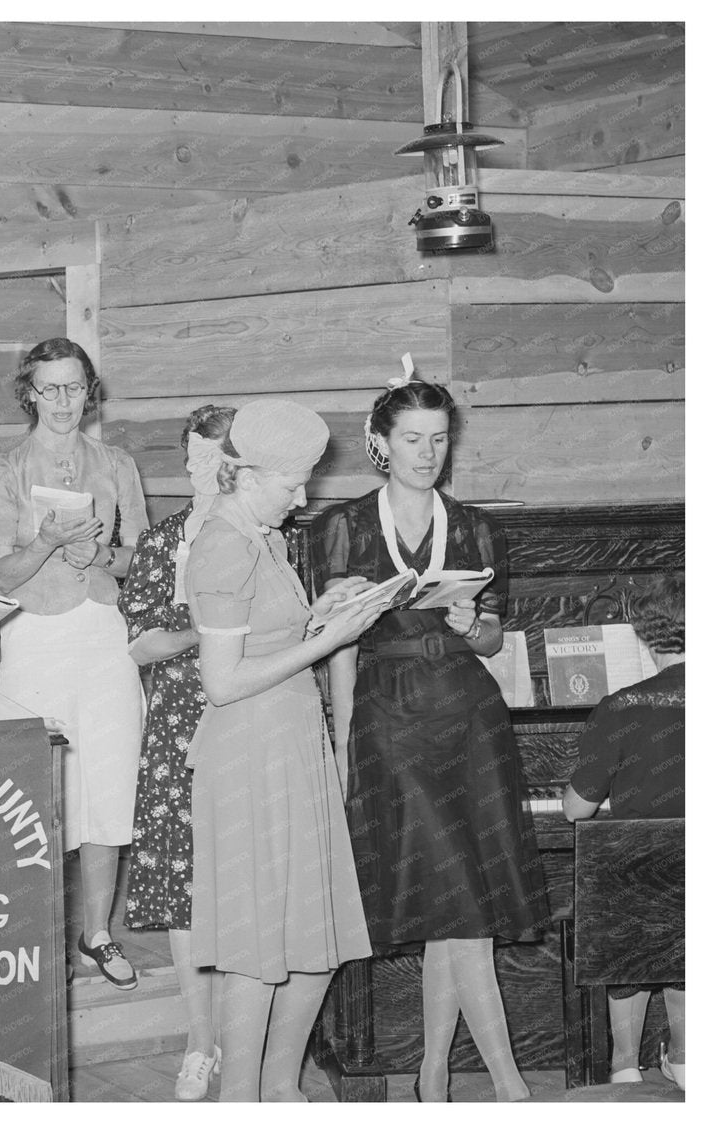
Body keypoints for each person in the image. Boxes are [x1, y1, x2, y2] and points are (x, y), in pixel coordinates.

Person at [316, 374, 550, 1103]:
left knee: (463, 909)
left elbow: (492, 639)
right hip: (390, 720)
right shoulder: (346, 526)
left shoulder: (478, 526)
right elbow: (338, 650)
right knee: (456, 904)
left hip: (470, 718)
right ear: (379, 444)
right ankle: (509, 1088)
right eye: (412, 440)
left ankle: (434, 1077)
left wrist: (469, 625)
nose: (427, 454)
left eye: (439, 439)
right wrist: (346, 742)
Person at [184, 398, 382, 1102]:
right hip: (247, 758)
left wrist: (325, 612)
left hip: (292, 746)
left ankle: (280, 1091)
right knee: (256, 947)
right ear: (242, 472)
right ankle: (240, 1098)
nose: (302, 497)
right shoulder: (222, 544)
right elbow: (221, 682)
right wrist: (325, 642)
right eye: (290, 482)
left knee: (311, 939)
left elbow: (272, 635)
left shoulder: (264, 536)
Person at [0, 338, 149, 990]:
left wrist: (99, 559)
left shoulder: (116, 463)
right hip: (34, 639)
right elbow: (3, 573)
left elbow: (140, 555)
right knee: (34, 787)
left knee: (107, 783)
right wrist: (47, 541)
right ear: (29, 394)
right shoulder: (2, 472)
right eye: (49, 389)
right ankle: (39, 939)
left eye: (74, 388)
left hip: (102, 632)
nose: (63, 402)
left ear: (88, 391)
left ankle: (95, 932)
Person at [118, 404, 235, 1100]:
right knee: (186, 890)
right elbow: (140, 643)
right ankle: (200, 1041)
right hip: (176, 725)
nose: (203, 471)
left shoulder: (261, 539)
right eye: (192, 457)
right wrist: (200, 627)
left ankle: (247, 1040)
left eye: (216, 458)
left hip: (246, 713)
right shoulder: (163, 543)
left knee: (243, 878)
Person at [564, 573, 685, 1090]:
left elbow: (576, 810)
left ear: (644, 632)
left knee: (631, 901)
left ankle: (623, 1067)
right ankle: (686, 1057)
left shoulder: (621, 706)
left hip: (640, 874)